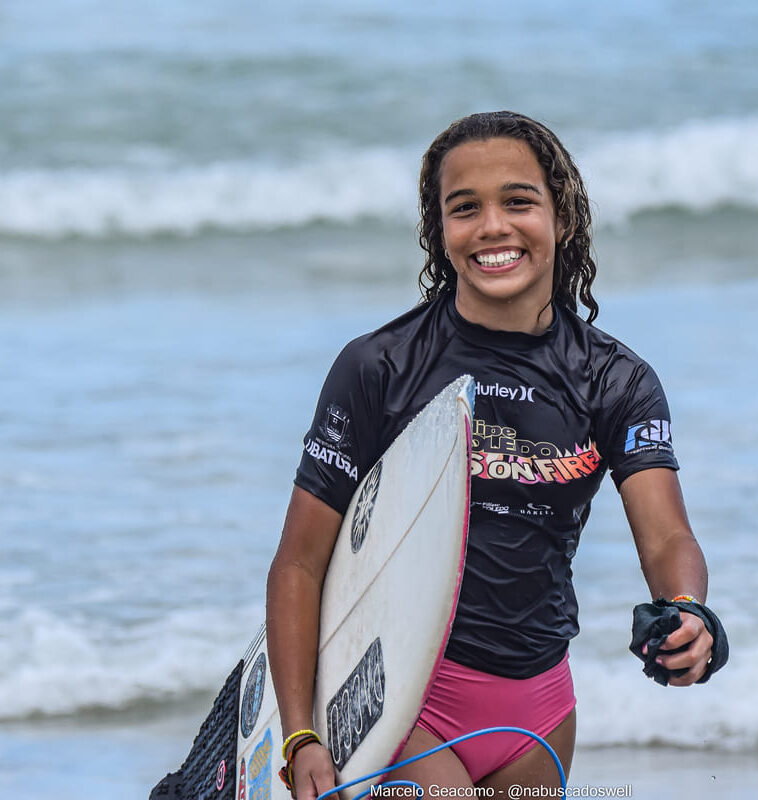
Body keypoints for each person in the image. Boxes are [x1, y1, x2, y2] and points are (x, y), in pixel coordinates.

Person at [265, 111, 720, 800]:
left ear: (560, 217)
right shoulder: (381, 368)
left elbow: (667, 535)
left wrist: (686, 610)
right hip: (400, 694)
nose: (492, 228)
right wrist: (300, 735)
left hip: (539, 707)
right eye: (464, 209)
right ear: (438, 231)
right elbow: (299, 562)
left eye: (518, 201)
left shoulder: (614, 381)